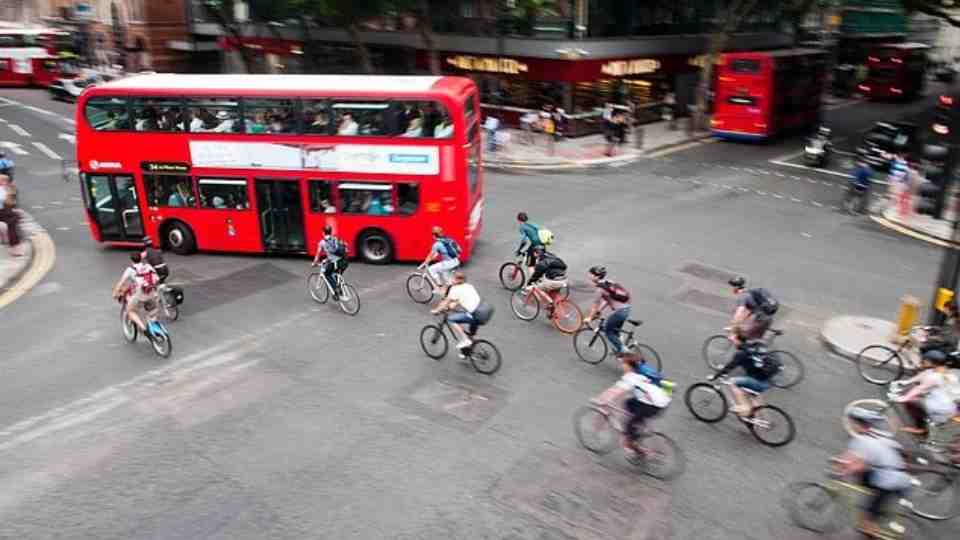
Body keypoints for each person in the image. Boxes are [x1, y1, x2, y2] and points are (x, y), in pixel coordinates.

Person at [834, 407, 913, 537]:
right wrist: (841, 462)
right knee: (864, 481)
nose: (852, 426)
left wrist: (843, 473)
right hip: (898, 477)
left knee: (868, 519)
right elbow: (852, 456)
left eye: (854, 423)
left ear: (859, 424)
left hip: (890, 483)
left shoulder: (863, 441)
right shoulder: (879, 435)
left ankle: (872, 530)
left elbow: (859, 465)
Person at [592, 353, 672, 459]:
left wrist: (601, 400)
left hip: (653, 406)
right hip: (663, 400)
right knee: (629, 403)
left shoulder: (632, 377)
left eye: (623, 364)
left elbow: (616, 391)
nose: (621, 366)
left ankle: (635, 448)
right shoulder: (644, 369)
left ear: (629, 365)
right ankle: (638, 424)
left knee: (629, 427)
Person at [709, 327, 778, 415]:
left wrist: (715, 376)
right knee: (750, 392)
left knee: (732, 382)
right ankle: (759, 418)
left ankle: (744, 406)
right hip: (769, 380)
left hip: (759, 381)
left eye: (732, 336)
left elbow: (728, 368)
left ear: (737, 338)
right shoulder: (753, 346)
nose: (729, 338)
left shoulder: (741, 354)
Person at [894, 349, 958, 435]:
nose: (922, 362)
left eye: (924, 361)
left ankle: (920, 428)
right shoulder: (942, 371)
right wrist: (907, 382)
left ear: (931, 362)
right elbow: (922, 375)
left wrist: (904, 398)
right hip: (948, 403)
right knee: (914, 395)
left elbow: (919, 389)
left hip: (941, 407)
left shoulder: (934, 377)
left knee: (912, 402)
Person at [430, 271, 481, 355]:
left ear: (457, 280)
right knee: (470, 333)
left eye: (453, 278)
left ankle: (465, 340)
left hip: (474, 314)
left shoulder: (455, 289)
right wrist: (451, 305)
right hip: (483, 311)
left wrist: (436, 310)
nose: (451, 279)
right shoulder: (469, 286)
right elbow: (458, 299)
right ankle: (466, 352)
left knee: (451, 320)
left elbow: (445, 302)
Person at [585, 266, 632, 355]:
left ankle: (624, 351)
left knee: (608, 332)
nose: (588, 275)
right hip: (627, 309)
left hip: (619, 312)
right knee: (615, 331)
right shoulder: (609, 282)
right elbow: (608, 298)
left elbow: (595, 305)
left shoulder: (600, 289)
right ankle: (619, 348)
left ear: (597, 277)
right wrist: (599, 311)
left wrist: (589, 318)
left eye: (590, 274)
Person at [112, 252, 160, 334]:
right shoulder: (148, 266)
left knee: (130, 311)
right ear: (141, 258)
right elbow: (156, 278)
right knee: (152, 310)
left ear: (131, 260)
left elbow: (121, 283)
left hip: (140, 294)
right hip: (152, 293)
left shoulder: (130, 269)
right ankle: (154, 324)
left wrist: (115, 293)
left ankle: (144, 330)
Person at [728, 277, 776, 343]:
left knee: (741, 338)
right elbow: (749, 312)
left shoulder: (743, 296)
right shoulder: (750, 293)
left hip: (761, 319)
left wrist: (733, 329)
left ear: (736, 287)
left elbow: (738, 314)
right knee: (752, 338)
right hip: (768, 317)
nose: (731, 289)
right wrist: (740, 323)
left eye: (732, 287)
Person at [526, 245, 567, 311]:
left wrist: (529, 283)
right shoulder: (552, 256)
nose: (533, 254)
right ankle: (555, 308)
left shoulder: (542, 263)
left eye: (534, 253)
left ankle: (551, 303)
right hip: (564, 279)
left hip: (554, 281)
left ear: (536, 253)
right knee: (553, 291)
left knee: (537, 287)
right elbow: (564, 266)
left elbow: (536, 275)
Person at [311, 225, 348, 298]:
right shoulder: (335, 238)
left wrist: (314, 263)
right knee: (336, 274)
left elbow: (318, 255)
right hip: (344, 261)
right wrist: (327, 259)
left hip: (335, 263)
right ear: (331, 232)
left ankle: (336, 291)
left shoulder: (322, 242)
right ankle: (340, 289)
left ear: (323, 232)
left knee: (327, 274)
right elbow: (334, 253)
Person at [0, 174, 23, 256]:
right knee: (13, 219)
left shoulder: (8, 189)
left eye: (6, 181)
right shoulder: (3, 190)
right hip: (3, 211)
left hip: (4, 210)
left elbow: (11, 203)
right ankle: (14, 246)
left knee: (14, 218)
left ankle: (13, 243)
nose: (5, 182)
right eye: (3, 181)